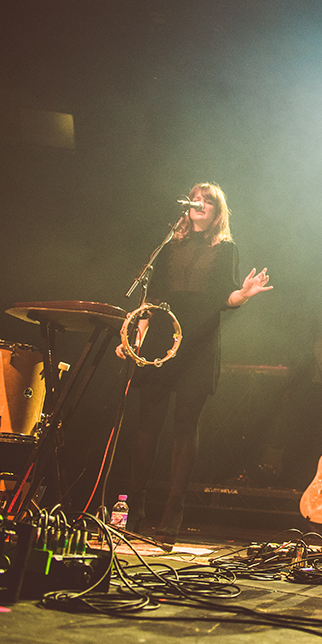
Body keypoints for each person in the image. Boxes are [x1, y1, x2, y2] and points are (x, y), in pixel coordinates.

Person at [117, 182, 272, 550]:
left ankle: (172, 517)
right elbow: (151, 297)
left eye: (207, 201)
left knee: (185, 428)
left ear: (218, 212)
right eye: (194, 199)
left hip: (199, 340)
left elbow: (226, 296)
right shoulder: (170, 246)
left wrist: (244, 295)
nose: (198, 204)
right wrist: (134, 339)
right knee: (147, 426)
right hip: (160, 334)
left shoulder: (225, 248)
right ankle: (133, 513)